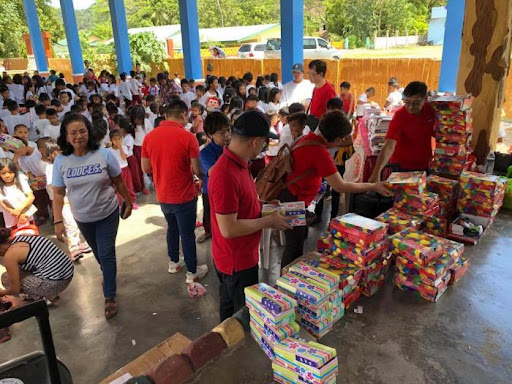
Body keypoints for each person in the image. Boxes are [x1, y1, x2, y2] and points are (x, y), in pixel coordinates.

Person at [209, 109, 291, 321]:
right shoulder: (225, 174)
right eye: (264, 143)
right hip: (235, 262)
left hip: (241, 256)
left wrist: (263, 206)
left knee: (231, 312)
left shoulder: (240, 164)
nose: (264, 148)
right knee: (239, 318)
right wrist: (268, 221)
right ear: (255, 142)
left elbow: (242, 205)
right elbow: (229, 228)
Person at [280, 111, 392, 267]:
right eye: (342, 139)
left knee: (296, 242)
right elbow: (341, 186)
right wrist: (374, 185)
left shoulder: (307, 138)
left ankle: (288, 277)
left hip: (291, 196)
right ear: (337, 139)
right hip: (293, 201)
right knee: (294, 246)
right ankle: (285, 284)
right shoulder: (319, 152)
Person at [52, 113, 133, 319]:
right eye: (73, 132)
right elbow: (58, 194)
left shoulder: (104, 155)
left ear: (89, 132)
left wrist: (128, 201)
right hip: (82, 217)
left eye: (82, 131)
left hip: (107, 213)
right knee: (99, 254)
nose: (79, 136)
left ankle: (109, 296)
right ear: (66, 136)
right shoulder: (61, 161)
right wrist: (58, 221)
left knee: (106, 254)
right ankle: (108, 276)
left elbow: (119, 182)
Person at [141, 99, 208, 284]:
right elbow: (196, 170)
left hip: (163, 195)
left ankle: (174, 262)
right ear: (183, 115)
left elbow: (146, 168)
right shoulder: (188, 137)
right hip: (184, 195)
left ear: (165, 115)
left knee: (172, 229)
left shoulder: (149, 137)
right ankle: (193, 271)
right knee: (187, 234)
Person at [0, 228, 73, 343]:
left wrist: (1, 292)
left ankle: (42, 296)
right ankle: (45, 294)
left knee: (6, 278)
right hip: (68, 272)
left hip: (56, 283)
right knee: (18, 270)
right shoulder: (24, 236)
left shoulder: (10, 255)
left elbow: (15, 289)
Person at [369, 81, 435, 182]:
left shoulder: (431, 112)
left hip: (424, 167)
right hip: (401, 168)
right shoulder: (400, 117)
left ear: (425, 99)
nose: (411, 107)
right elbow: (389, 146)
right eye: (407, 102)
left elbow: (441, 135)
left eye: (416, 103)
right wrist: (376, 172)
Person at [44, 140, 91, 261]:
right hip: (62, 201)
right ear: (50, 154)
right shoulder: (50, 168)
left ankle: (79, 243)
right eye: (57, 151)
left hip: (72, 198)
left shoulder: (64, 163)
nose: (60, 152)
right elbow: (55, 187)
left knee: (77, 220)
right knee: (70, 223)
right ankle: (73, 247)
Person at [197, 112, 231, 244]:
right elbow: (214, 172)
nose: (227, 135)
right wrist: (228, 153)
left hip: (229, 189)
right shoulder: (205, 153)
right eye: (221, 132)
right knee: (209, 215)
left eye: (228, 130)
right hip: (211, 191)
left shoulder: (233, 147)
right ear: (210, 135)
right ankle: (208, 232)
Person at [0, 158, 37, 229]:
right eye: (3, 173)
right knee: (16, 237)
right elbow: (3, 203)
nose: (7, 175)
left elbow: (30, 197)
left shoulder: (20, 179)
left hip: (26, 216)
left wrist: (19, 210)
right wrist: (13, 212)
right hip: (11, 219)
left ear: (15, 171)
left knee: (30, 234)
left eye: (10, 172)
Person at [109, 129, 137, 209]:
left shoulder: (124, 147)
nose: (117, 141)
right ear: (111, 140)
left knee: (128, 186)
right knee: (118, 188)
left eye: (119, 139)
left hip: (125, 169)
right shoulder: (109, 150)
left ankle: (132, 201)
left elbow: (124, 158)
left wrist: (120, 147)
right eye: (115, 139)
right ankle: (120, 204)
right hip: (116, 172)